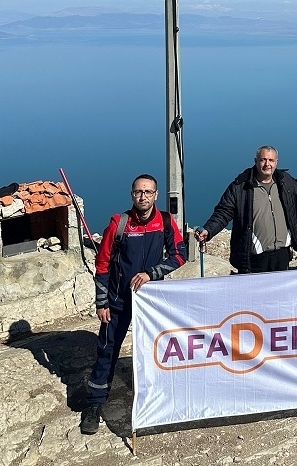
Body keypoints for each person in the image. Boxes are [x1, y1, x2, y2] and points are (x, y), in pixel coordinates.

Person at [80, 174, 187, 435]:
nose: (143, 197)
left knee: (156, 348)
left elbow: (180, 255)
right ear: (132, 195)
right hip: (118, 300)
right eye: (139, 192)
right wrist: (102, 302)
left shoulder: (165, 222)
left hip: (151, 302)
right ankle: (94, 403)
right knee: (107, 349)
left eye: (148, 192)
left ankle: (157, 397)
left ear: (156, 195)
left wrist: (152, 273)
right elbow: (102, 264)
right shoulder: (119, 224)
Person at [195, 146, 297, 273]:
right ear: (256, 161)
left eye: (271, 160)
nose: (267, 164)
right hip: (254, 258)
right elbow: (223, 212)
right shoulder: (241, 187)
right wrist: (208, 229)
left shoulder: (285, 181)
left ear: (276, 162)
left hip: (282, 255)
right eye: (263, 160)